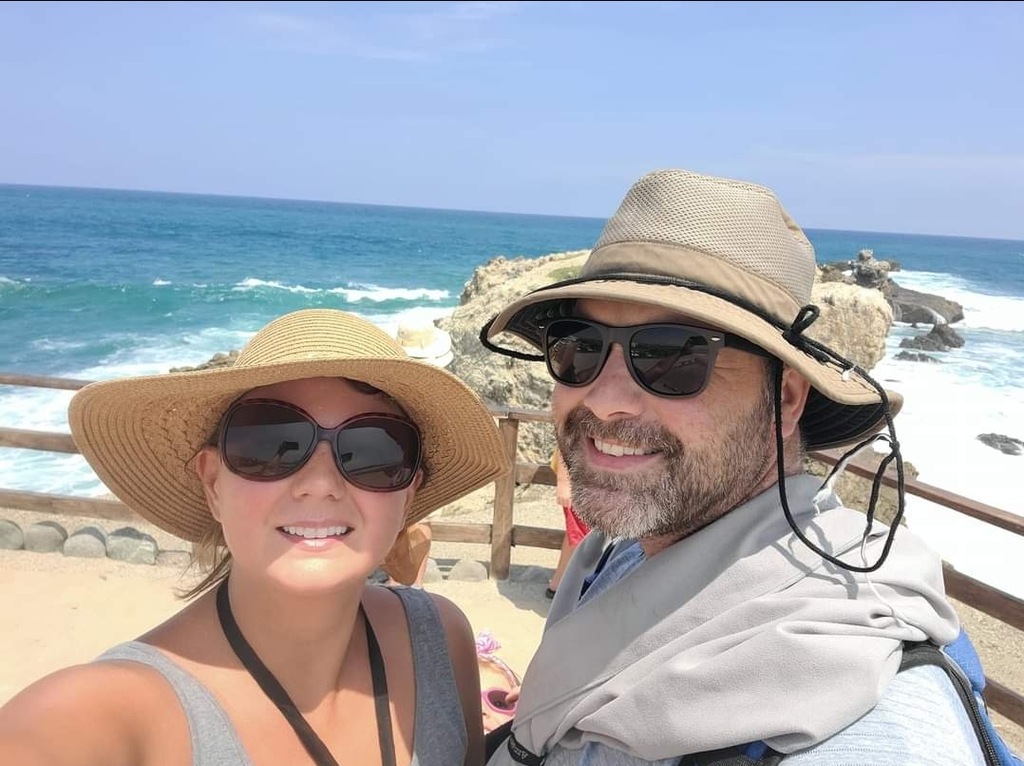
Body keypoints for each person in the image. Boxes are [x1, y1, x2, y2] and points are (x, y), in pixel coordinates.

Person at [479, 169, 1006, 765]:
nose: (603, 399)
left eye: (674, 356)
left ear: (784, 399)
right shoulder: (620, 552)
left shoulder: (869, 713)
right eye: (579, 347)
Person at [0, 308, 511, 766]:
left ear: (409, 491)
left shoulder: (439, 638)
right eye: (270, 443)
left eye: (373, 451)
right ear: (211, 482)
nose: (320, 484)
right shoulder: (105, 715)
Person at [545, 446, 590, 599]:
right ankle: (573, 588)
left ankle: (558, 583)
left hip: (587, 471)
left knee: (575, 534)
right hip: (580, 475)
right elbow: (566, 435)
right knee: (582, 535)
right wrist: (564, 482)